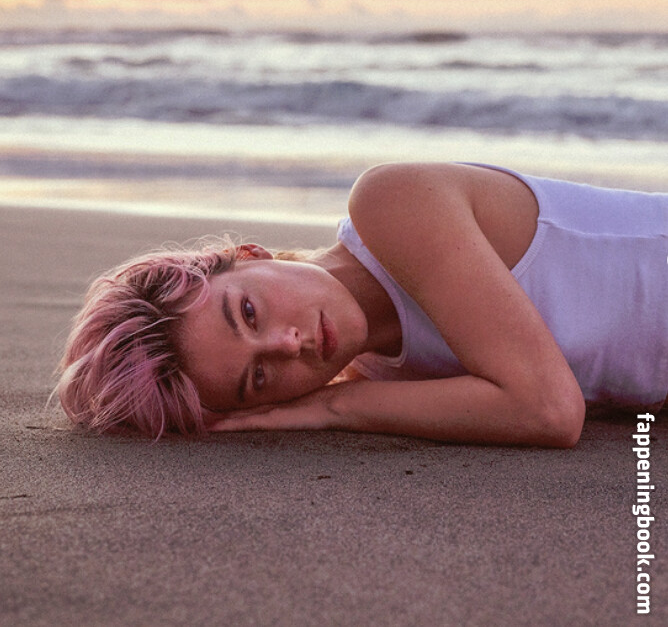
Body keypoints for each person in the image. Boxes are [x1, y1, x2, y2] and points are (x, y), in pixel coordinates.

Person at [55, 162, 667, 447]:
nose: (289, 346)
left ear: (248, 253)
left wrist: (335, 407)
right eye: (259, 378)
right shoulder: (386, 375)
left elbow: (549, 412)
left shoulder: (392, 204)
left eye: (248, 313)